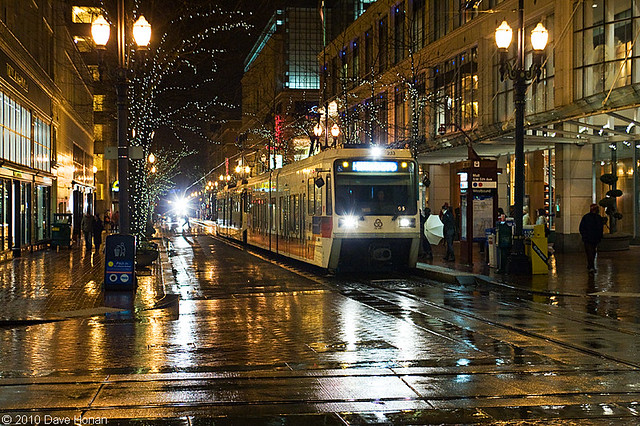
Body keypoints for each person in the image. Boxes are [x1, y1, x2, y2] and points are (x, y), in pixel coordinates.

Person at [579, 203, 604, 273]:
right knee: (592, 252)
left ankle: (590, 265)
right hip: (593, 238)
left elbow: (581, 228)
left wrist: (584, 236)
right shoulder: (598, 218)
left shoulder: (586, 217)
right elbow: (600, 229)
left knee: (590, 252)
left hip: (589, 238)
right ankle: (591, 266)